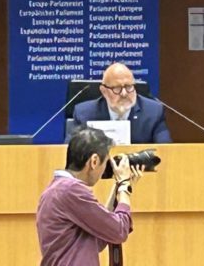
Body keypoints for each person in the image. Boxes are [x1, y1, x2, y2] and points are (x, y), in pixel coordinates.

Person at [36, 126, 142, 266]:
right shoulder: (71, 190)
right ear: (94, 161)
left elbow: (101, 237)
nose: (104, 170)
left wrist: (118, 186)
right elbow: (119, 231)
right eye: (105, 164)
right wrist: (125, 188)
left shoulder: (59, 189)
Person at [73, 63, 171, 144]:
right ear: (104, 91)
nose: (124, 94)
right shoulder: (84, 114)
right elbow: (69, 152)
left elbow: (165, 150)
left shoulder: (153, 112)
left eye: (129, 87)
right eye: (117, 88)